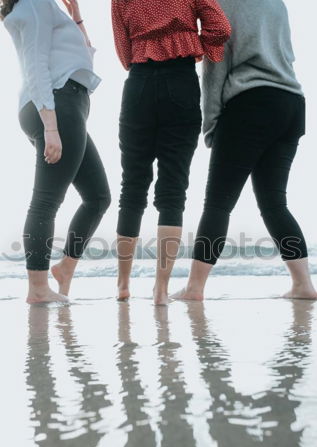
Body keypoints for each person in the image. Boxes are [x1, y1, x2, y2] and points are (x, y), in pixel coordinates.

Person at [174, 0, 317, 301]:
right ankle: (303, 284)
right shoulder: (276, 4)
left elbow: (215, 65)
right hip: (291, 102)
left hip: (250, 103)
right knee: (275, 203)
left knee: (218, 205)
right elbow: (286, 53)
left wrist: (211, 122)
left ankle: (194, 288)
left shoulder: (222, 4)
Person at [111, 0, 231, 305]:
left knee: (133, 186)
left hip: (138, 84)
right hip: (180, 81)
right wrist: (194, 45)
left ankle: (123, 285)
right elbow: (220, 27)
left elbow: (124, 52)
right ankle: (161, 290)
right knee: (173, 189)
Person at [2, 0, 111, 303]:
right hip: (56, 106)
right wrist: (50, 126)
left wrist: (75, 14)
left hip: (68, 104)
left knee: (98, 197)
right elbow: (35, 65)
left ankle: (64, 269)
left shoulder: (44, 5)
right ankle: (37, 288)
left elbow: (84, 57)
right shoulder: (33, 4)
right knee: (46, 201)